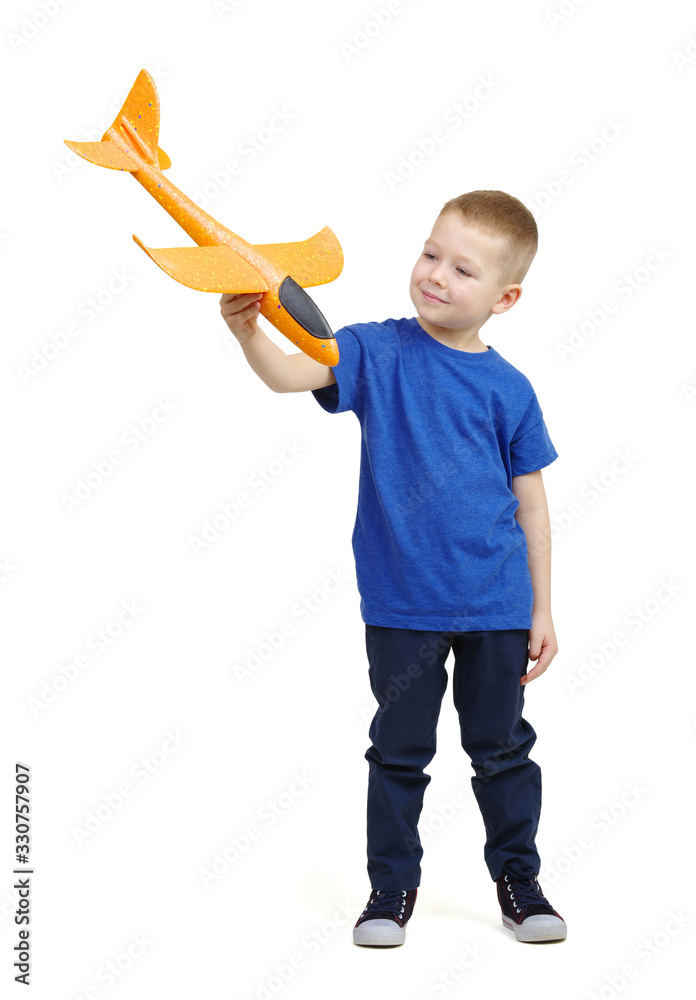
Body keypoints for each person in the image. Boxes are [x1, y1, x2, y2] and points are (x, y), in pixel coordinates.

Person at [219, 190, 566, 946]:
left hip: (497, 608)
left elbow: (532, 508)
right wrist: (249, 335)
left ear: (506, 297)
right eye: (430, 253)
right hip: (402, 605)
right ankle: (390, 891)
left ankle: (519, 880)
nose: (436, 275)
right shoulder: (377, 350)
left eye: (462, 269)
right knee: (399, 751)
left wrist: (541, 609)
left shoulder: (510, 390)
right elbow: (291, 374)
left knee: (502, 750)